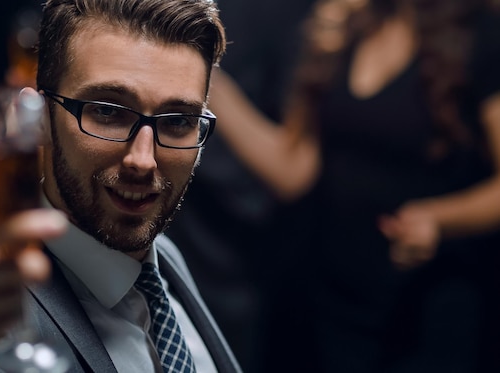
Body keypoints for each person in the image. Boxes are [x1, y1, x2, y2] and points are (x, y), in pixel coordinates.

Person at [0, 0, 242, 372]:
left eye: (178, 120)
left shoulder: (164, 259)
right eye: (107, 111)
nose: (143, 159)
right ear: (38, 119)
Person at [209, 0, 500, 371]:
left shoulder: (483, 37)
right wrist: (209, 80)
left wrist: (439, 219)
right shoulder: (348, 27)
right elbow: (294, 170)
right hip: (328, 298)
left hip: (424, 307)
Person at [163, 0, 316, 371]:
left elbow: (296, 171)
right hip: (143, 227)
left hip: (229, 257)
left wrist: (198, 72)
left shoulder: (287, 15)